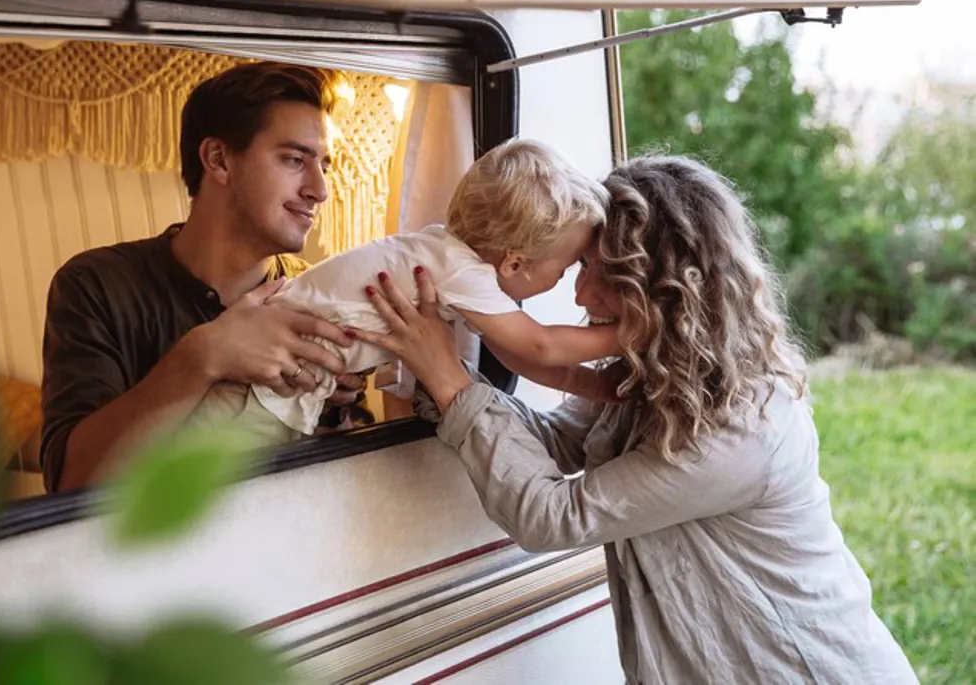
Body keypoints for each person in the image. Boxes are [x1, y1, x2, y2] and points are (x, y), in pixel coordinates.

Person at [352, 155, 918, 684]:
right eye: (581, 264)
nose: (580, 290)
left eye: (603, 273)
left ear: (666, 288)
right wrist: (442, 377)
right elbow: (555, 443)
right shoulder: (657, 380)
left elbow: (556, 515)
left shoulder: (743, 427)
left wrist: (451, 384)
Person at [39, 61, 367, 493]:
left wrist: (335, 413)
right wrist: (202, 357)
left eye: (324, 164)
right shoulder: (96, 285)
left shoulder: (321, 294)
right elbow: (72, 484)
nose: (320, 190)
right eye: (294, 159)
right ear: (218, 159)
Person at [192, 138, 624, 440]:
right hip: (258, 389)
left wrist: (599, 387)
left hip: (267, 382)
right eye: (567, 269)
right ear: (515, 261)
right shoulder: (460, 272)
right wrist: (636, 331)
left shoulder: (444, 255)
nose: (567, 283)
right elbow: (541, 346)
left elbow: (524, 358)